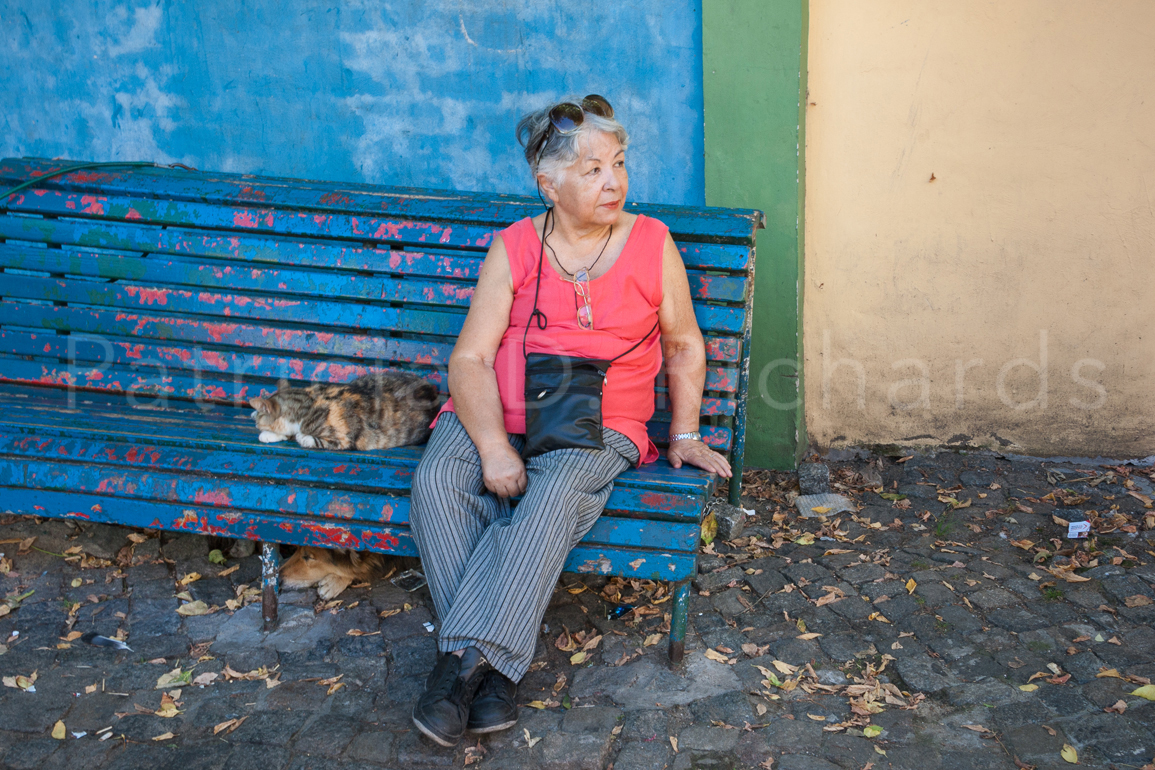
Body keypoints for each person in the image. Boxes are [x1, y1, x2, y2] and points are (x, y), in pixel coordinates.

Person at [408, 94, 732, 747]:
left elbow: (683, 342)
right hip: (497, 408)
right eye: (592, 170)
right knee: (437, 482)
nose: (613, 181)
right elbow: (469, 359)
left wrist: (685, 434)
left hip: (602, 417)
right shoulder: (514, 247)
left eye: (619, 163)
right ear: (547, 185)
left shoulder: (651, 242)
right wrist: (493, 446)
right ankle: (494, 678)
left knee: (552, 497)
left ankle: (461, 670)